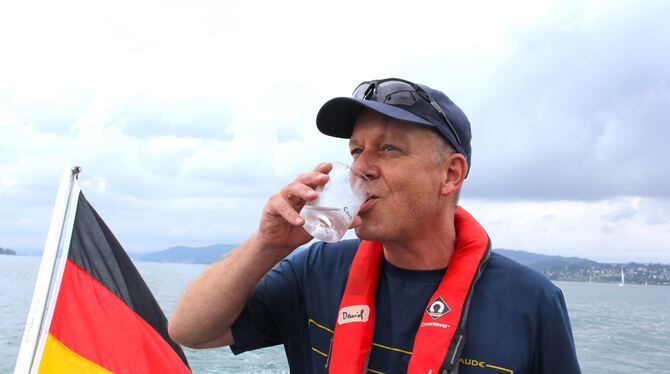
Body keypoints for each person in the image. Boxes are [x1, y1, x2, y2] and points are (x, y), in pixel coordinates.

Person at [168, 78, 582, 373]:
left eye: (388, 148)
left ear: (451, 175)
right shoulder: (316, 271)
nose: (361, 168)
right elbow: (191, 331)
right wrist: (268, 245)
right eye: (356, 151)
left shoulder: (530, 302)